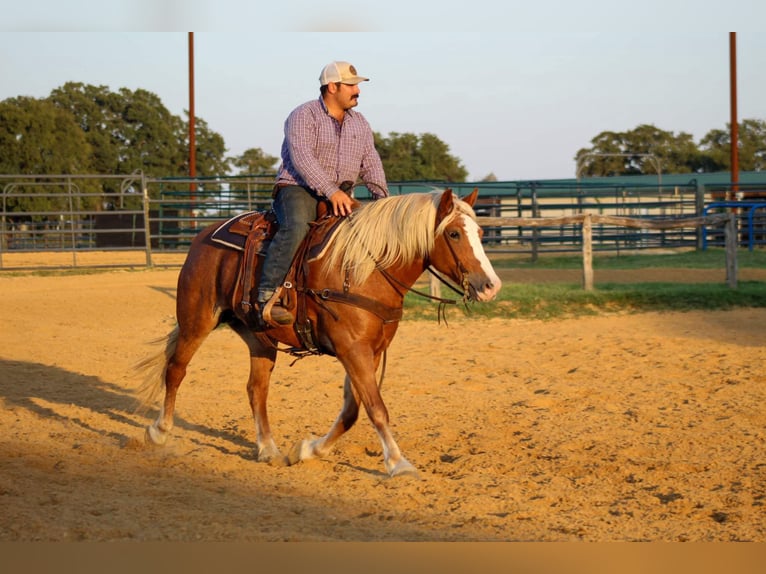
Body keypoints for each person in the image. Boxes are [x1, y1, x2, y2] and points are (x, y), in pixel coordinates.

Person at [258, 61, 390, 326]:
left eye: (357, 86)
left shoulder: (360, 123)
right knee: (296, 227)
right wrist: (331, 192)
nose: (357, 91)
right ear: (332, 86)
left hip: (341, 194)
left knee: (367, 236)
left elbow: (371, 163)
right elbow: (302, 158)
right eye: (351, 85)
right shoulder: (303, 115)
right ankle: (267, 293)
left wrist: (383, 202)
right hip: (298, 188)